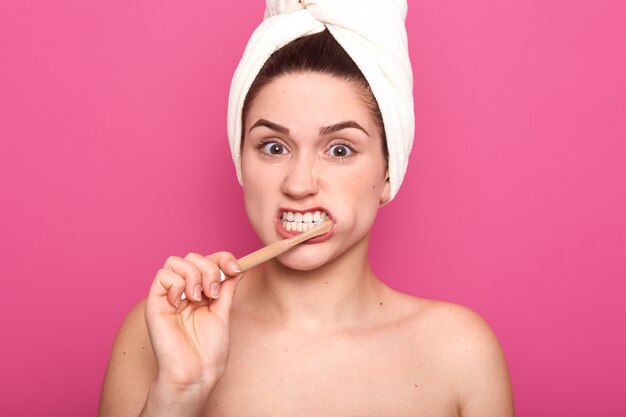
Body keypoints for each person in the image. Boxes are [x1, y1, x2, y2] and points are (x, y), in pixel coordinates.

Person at [99, 1, 514, 416]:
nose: (298, 185)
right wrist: (178, 393)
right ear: (241, 159)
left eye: (339, 149)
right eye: (273, 147)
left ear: (390, 172)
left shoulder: (460, 354)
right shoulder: (160, 331)